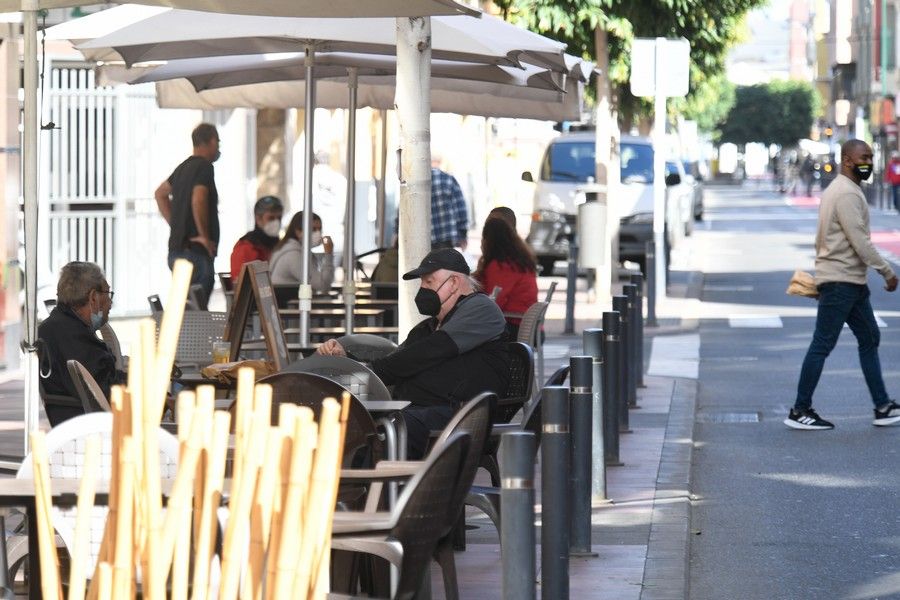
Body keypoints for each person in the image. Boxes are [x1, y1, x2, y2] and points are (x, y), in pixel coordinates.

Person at [317, 248, 511, 458]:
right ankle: (358, 488)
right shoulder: (428, 327)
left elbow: (426, 353)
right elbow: (398, 361)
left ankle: (393, 488)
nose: (422, 289)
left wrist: (370, 372)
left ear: (454, 283)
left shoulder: (481, 308)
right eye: (422, 283)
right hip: (425, 410)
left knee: (389, 429)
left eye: (429, 282)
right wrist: (348, 360)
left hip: (464, 415)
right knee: (354, 424)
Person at [786, 139, 900, 431]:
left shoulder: (838, 189)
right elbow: (859, 240)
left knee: (870, 337)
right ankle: (800, 409)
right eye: (864, 157)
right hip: (841, 281)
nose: (869, 163)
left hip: (848, 280)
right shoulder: (847, 193)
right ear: (847, 160)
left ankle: (883, 405)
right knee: (822, 343)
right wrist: (887, 271)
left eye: (871, 157)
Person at [37, 262, 125, 426]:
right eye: (108, 293)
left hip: (67, 419)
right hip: (89, 426)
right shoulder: (75, 336)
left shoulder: (51, 327)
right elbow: (109, 392)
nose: (110, 303)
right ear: (93, 298)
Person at [154, 122, 221, 302]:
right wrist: (204, 237)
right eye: (218, 142)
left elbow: (160, 194)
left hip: (176, 250)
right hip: (195, 252)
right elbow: (198, 199)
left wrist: (176, 225)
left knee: (184, 311)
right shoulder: (205, 167)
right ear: (212, 141)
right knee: (196, 318)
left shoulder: (183, 168)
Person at [475, 217, 538, 338]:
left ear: (489, 240)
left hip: (515, 326)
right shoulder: (520, 262)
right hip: (528, 326)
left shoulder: (501, 266)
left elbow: (493, 302)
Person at [269, 211, 335, 292]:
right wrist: (329, 253)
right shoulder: (293, 255)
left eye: (319, 229)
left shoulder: (293, 250)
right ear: (298, 231)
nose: (318, 233)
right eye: (313, 229)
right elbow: (323, 286)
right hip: (285, 302)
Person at [230, 195, 283, 281]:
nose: (276, 222)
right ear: (258, 218)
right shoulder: (246, 247)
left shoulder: (279, 245)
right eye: (271, 218)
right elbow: (240, 283)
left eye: (279, 218)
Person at [431, 156, 469, 250]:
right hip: (446, 238)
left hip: (422, 239)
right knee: (445, 263)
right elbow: (460, 209)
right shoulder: (448, 180)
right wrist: (463, 234)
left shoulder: (414, 183)